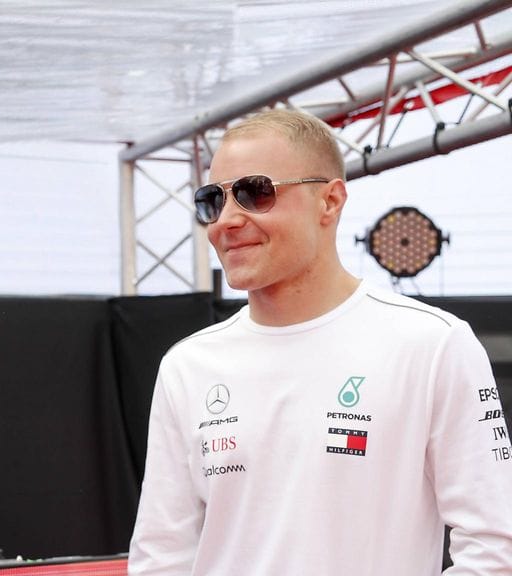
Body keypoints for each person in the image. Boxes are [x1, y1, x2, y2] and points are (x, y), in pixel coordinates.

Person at [127, 108, 512, 574]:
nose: (226, 220)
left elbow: (495, 546)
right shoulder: (188, 365)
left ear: (329, 202)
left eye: (255, 192)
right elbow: (161, 555)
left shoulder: (432, 345)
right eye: (212, 200)